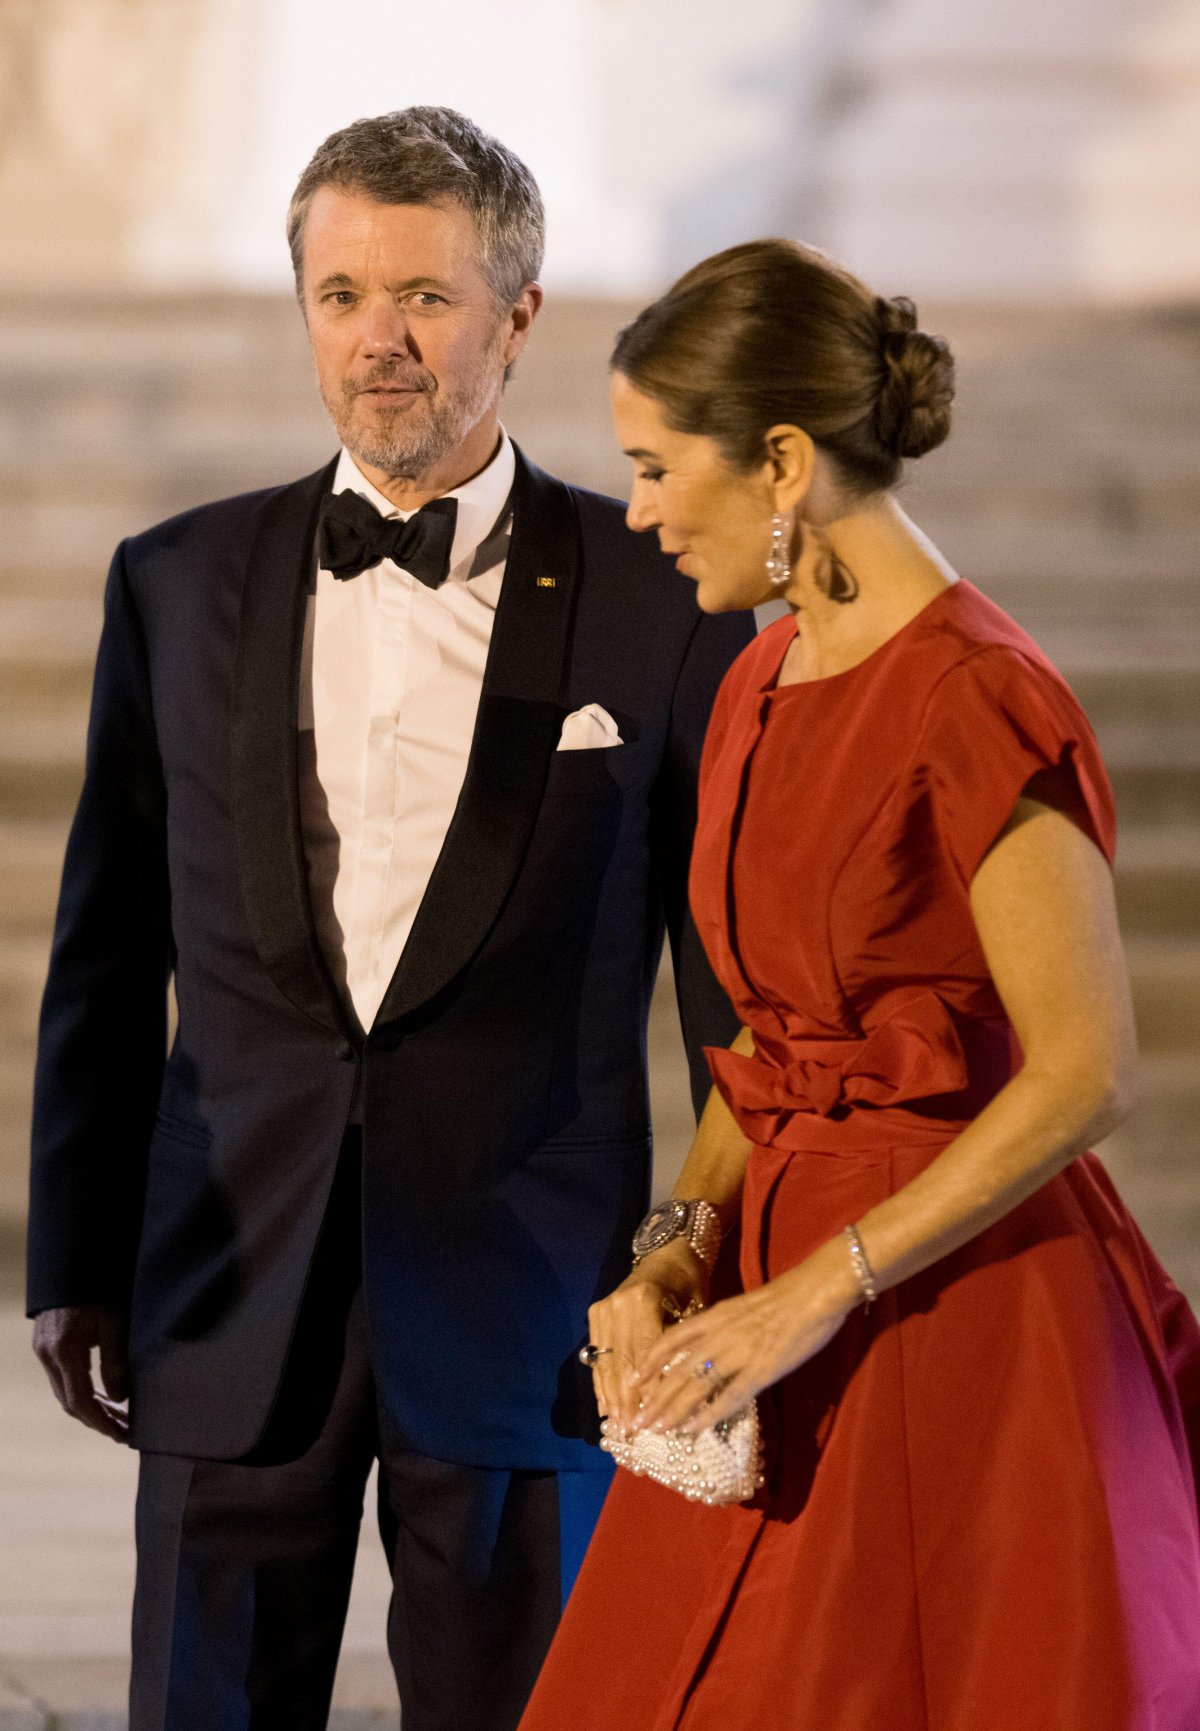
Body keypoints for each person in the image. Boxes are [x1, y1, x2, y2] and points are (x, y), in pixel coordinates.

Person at [25, 108, 751, 1731]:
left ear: (520, 313)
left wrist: (707, 1265)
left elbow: (724, 995)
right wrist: (74, 1255)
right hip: (228, 1283)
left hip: (528, 1298)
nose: (380, 341)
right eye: (341, 293)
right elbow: (105, 945)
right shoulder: (174, 580)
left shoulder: (660, 607)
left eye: (424, 297)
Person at [517, 239, 1200, 1731]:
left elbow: (1089, 1070)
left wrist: (816, 1296)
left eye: (651, 467)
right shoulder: (762, 676)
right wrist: (675, 1251)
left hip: (964, 1315)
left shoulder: (981, 694)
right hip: (766, 1296)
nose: (633, 513)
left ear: (777, 461)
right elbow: (770, 1038)